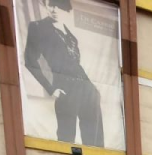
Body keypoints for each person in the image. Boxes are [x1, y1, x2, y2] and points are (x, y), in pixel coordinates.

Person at [23, 0, 105, 146]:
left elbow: (75, 64)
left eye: (59, 6)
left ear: (66, 9)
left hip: (86, 88)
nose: (54, 9)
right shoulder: (38, 27)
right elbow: (30, 61)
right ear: (46, 6)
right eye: (51, 5)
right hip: (65, 88)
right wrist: (51, 88)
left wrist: (93, 90)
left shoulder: (71, 36)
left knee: (94, 137)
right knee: (67, 136)